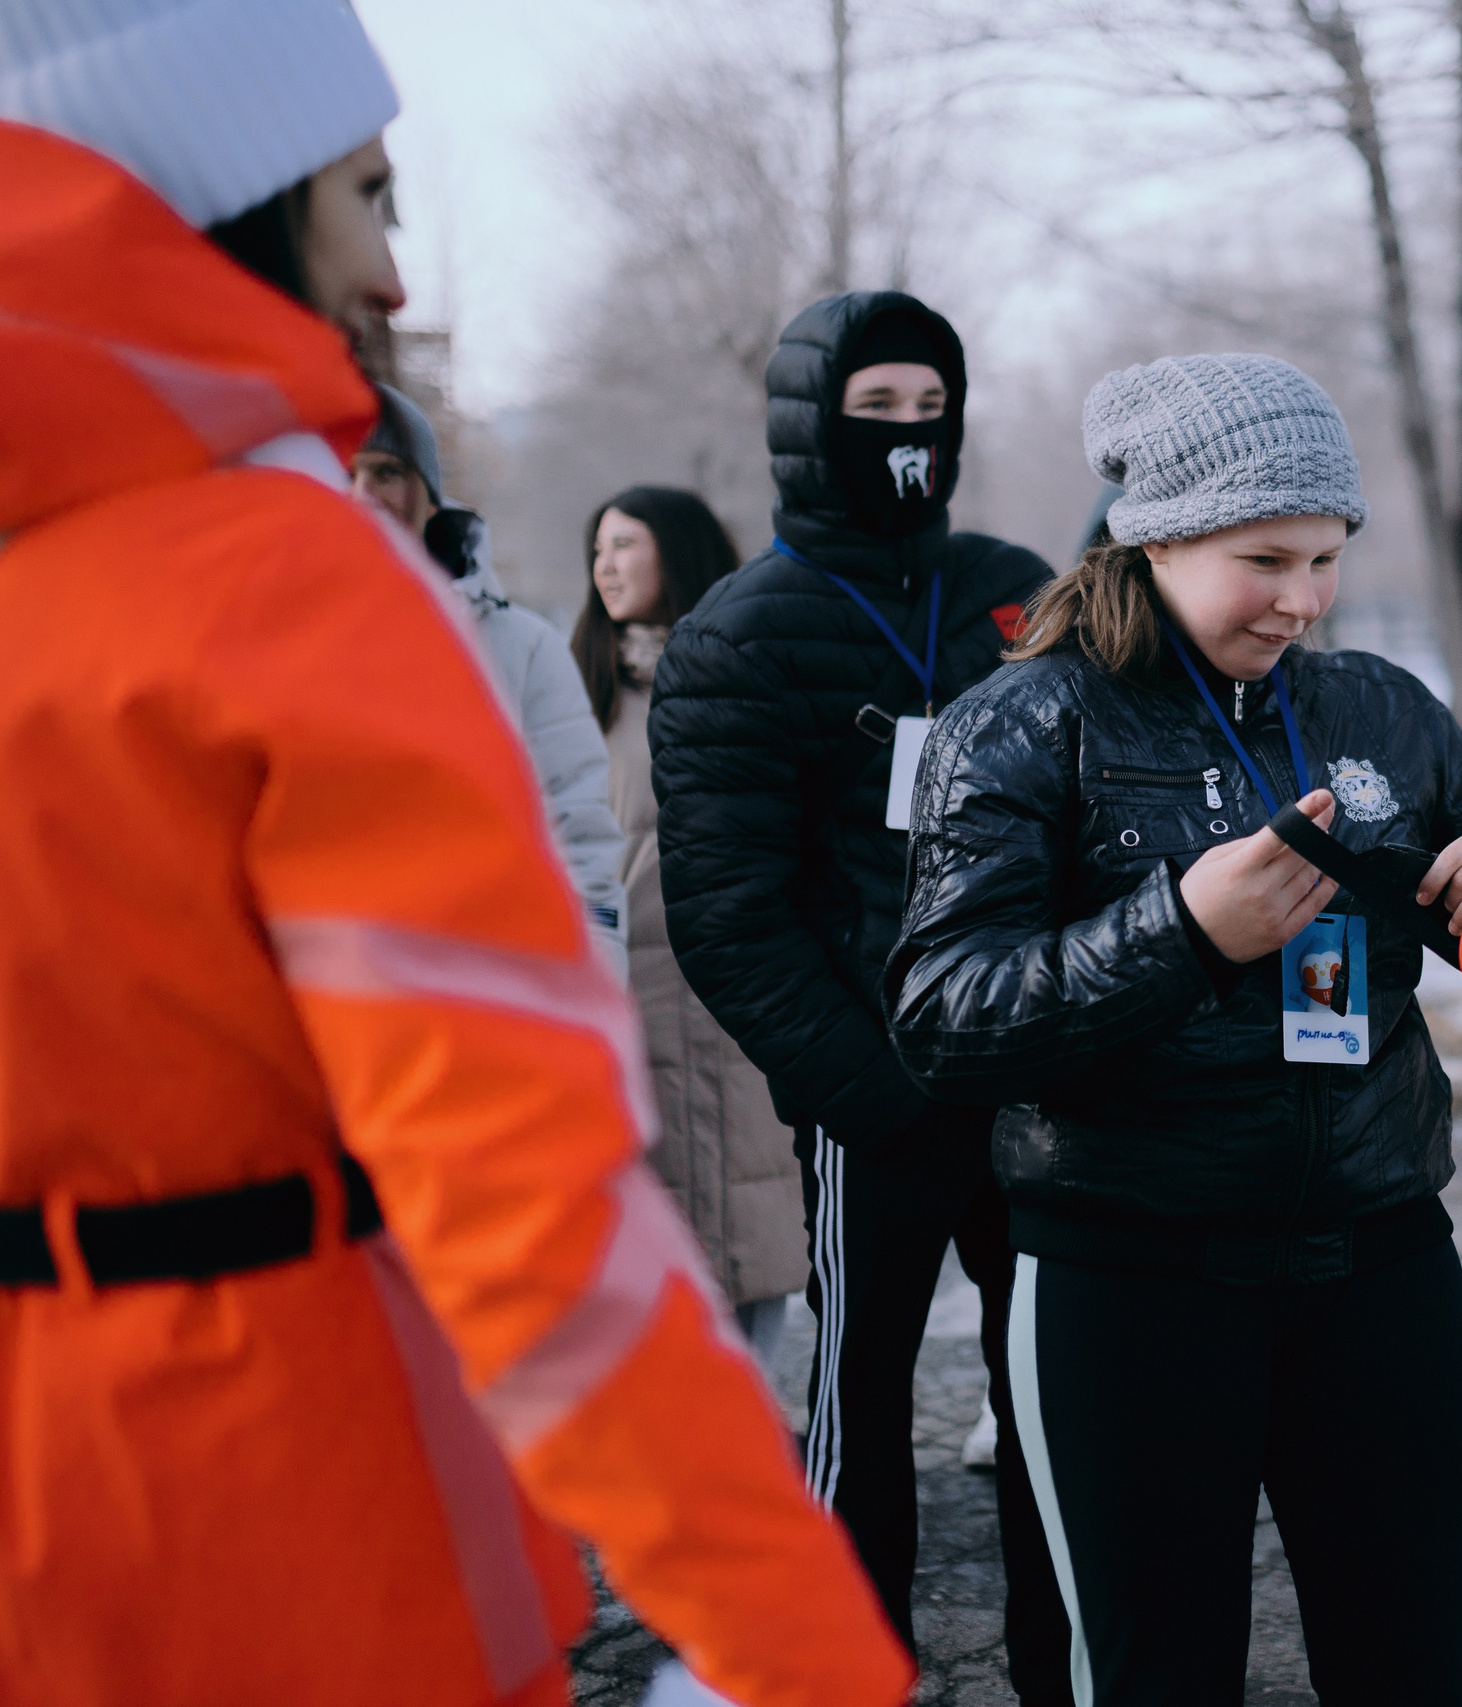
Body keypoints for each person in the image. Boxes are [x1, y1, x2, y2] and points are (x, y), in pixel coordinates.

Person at [0, 3, 909, 1705]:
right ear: (215, 191)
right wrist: (797, 1652)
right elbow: (529, 1212)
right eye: (367, 193)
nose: (393, 274)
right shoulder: (285, 587)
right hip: (292, 1538)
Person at [885, 351, 1462, 1706]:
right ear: (1157, 538)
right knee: (1154, 1672)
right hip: (1129, 1275)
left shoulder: (1380, 708)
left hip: (1378, 1258)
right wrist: (1183, 932)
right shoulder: (1022, 724)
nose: (1303, 599)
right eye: (1265, 560)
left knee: (1419, 1666)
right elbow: (943, 1018)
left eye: (1327, 558)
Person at [649, 290, 1070, 1697]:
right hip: (873, 1098)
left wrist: (1068, 1019)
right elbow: (731, 913)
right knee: (861, 1402)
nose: (908, 437)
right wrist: (870, 1088)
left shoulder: (1018, 593)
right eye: (876, 410)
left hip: (1036, 1073)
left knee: (1051, 1394)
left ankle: (1063, 1666)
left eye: (931, 411)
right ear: (810, 427)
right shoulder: (737, 638)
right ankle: (849, 1669)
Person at [574, 486, 808, 1369]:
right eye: (598, 547)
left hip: (735, 1002)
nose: (606, 565)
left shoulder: (748, 680)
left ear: (678, 550)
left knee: (750, 1225)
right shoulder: (578, 699)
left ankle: (752, 1413)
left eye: (626, 544)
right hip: (624, 1004)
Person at [354, 383, 630, 980]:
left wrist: (591, 979)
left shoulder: (522, 648)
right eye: (340, 469)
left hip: (481, 989)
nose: (362, 493)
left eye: (387, 471)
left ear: (431, 496)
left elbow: (578, 840)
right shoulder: (258, 640)